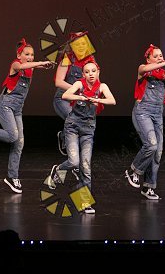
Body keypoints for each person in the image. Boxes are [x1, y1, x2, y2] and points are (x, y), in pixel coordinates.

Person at [0, 38, 54, 194]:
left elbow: (32, 66)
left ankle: (12, 177)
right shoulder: (15, 65)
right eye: (27, 54)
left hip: (17, 109)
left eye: (32, 55)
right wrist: (40, 63)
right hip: (5, 105)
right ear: (19, 55)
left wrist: (44, 65)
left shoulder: (31, 67)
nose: (30, 57)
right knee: (13, 136)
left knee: (19, 143)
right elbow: (23, 66)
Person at [47, 58, 116, 213]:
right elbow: (65, 95)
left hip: (88, 129)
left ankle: (84, 203)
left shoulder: (102, 86)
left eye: (93, 71)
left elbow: (112, 101)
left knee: (85, 167)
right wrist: (81, 96)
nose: (90, 74)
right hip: (72, 126)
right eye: (87, 72)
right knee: (74, 161)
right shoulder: (79, 84)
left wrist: (97, 99)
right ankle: (58, 170)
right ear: (83, 74)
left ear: (98, 72)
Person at [124, 45, 165, 200]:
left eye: (161, 55)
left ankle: (148, 186)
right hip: (143, 111)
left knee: (157, 152)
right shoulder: (143, 69)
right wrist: (164, 63)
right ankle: (134, 171)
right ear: (148, 59)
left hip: (157, 114)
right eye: (155, 56)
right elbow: (146, 69)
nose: (159, 58)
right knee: (151, 144)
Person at [53, 31, 95, 155]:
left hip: (79, 101)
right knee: (75, 119)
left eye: (83, 43)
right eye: (78, 44)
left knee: (83, 126)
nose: (81, 46)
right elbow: (58, 82)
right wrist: (76, 89)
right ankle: (65, 141)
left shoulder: (91, 62)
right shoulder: (67, 59)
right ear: (72, 45)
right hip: (63, 99)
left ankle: (75, 157)